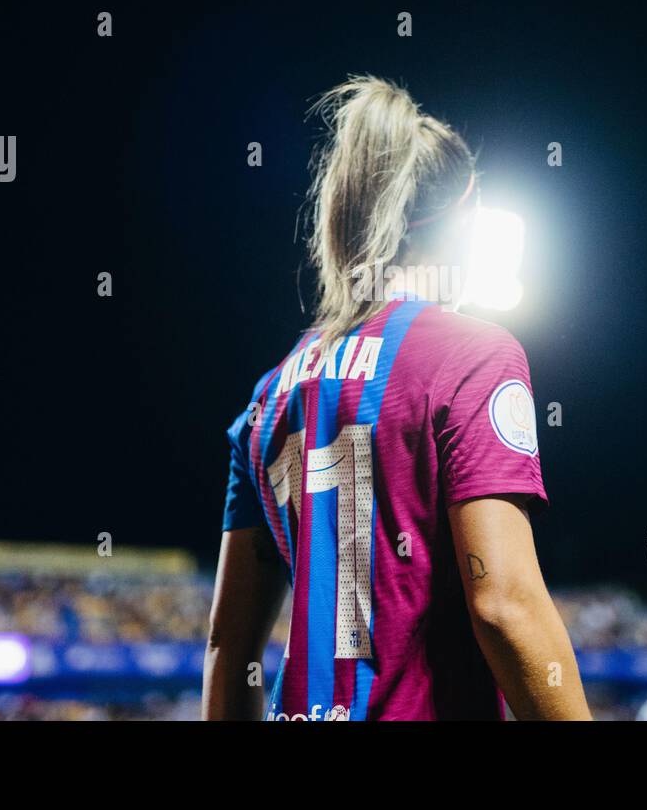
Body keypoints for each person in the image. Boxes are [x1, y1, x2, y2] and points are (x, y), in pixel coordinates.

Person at [203, 76, 589, 720]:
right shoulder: (474, 354)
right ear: (457, 223)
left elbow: (227, 644)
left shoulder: (271, 392)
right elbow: (503, 604)